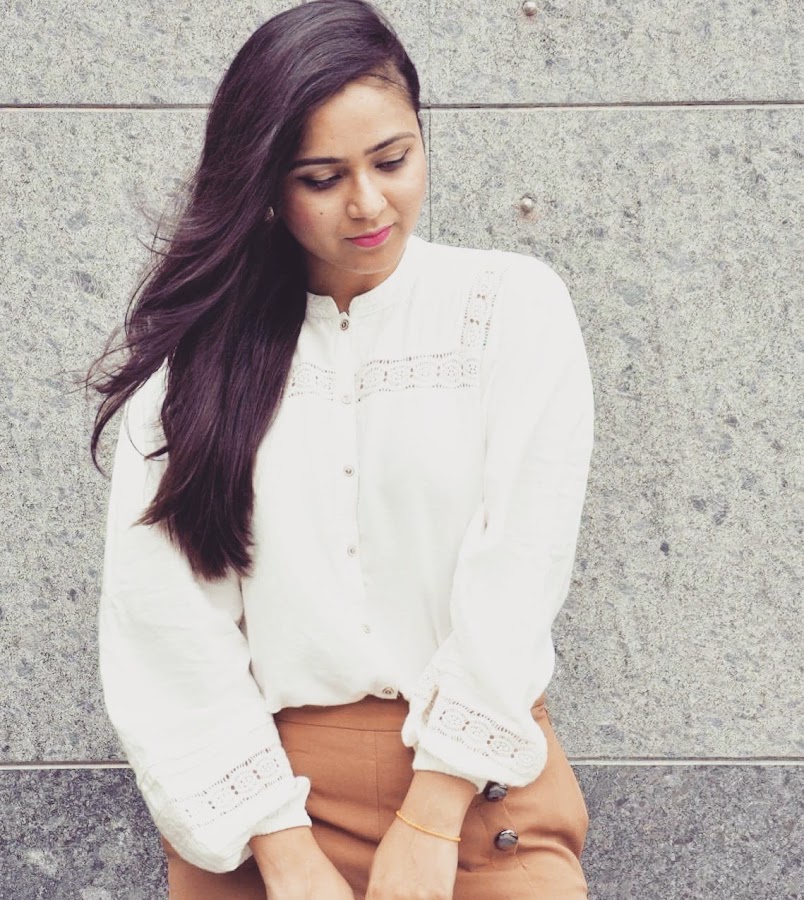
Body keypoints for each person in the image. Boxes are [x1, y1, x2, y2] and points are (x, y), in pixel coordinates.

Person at [87, 1, 595, 897]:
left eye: (392, 160)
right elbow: (162, 622)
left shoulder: (509, 308)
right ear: (264, 185)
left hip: (478, 793)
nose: (368, 203)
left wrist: (432, 816)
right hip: (260, 806)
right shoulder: (198, 362)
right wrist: (283, 851)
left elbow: (521, 567)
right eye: (322, 178)